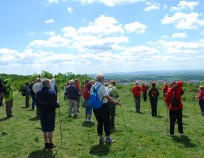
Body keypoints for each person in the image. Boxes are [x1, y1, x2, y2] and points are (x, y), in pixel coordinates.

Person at [91, 73, 121, 144]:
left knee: (100, 122)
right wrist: (116, 102)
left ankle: (101, 138)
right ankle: (108, 139)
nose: (104, 80)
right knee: (106, 122)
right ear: (102, 79)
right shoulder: (101, 86)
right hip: (103, 106)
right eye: (103, 78)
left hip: (95, 107)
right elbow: (107, 96)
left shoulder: (93, 86)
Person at [36, 78, 59, 149]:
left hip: (42, 112)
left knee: (44, 129)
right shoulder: (52, 92)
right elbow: (54, 104)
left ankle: (46, 144)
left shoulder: (39, 92)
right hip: (51, 112)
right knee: (50, 129)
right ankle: (50, 144)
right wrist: (58, 104)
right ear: (49, 84)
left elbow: (37, 104)